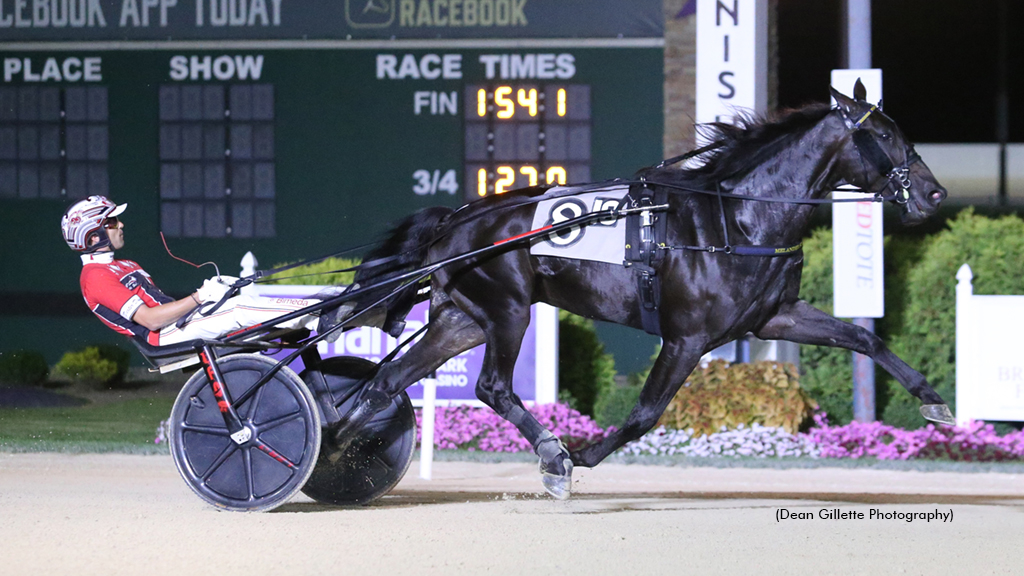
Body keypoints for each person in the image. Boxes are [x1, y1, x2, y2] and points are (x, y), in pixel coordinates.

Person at [61, 195, 344, 346]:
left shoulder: (125, 265)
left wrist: (216, 290)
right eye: (111, 223)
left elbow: (165, 306)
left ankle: (323, 309)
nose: (120, 225)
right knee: (237, 311)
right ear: (93, 236)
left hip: (180, 323)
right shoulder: (95, 277)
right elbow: (150, 320)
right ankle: (320, 316)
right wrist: (201, 296)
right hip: (164, 337)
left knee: (238, 300)